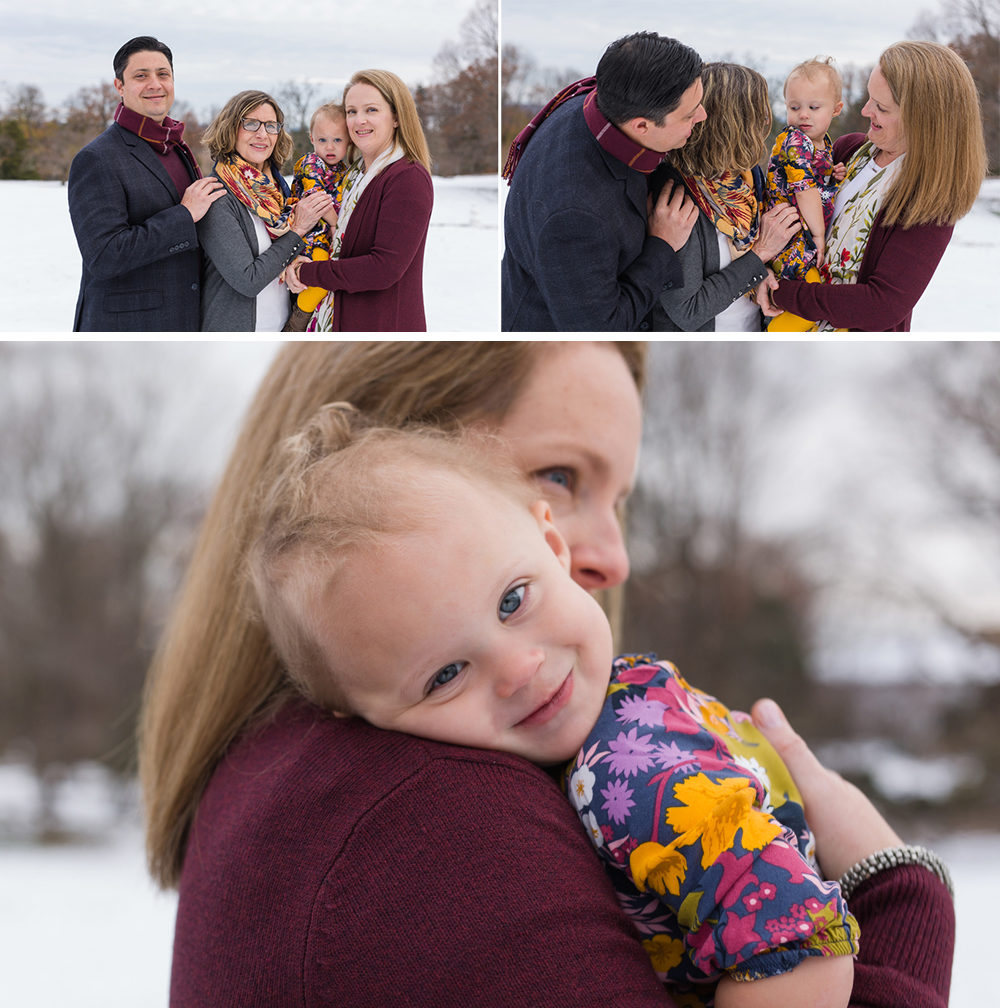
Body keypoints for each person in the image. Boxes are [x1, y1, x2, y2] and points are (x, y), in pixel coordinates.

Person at [139, 342, 955, 1007]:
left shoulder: (295, 782)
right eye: (562, 476)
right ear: (404, 444)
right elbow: (792, 939)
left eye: (619, 497)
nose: (616, 558)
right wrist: (902, 895)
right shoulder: (432, 817)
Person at [247, 405, 861, 1008]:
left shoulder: (631, 769)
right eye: (446, 675)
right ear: (358, 722)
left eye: (513, 600)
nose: (519, 670)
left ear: (552, 543)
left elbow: (799, 939)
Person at [757, 40, 988, 331]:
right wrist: (763, 270)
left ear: (922, 119)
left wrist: (782, 292)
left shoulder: (930, 201)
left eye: (881, 107)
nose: (866, 110)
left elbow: (881, 305)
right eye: (869, 98)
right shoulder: (848, 151)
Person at [501, 32, 703, 331]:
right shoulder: (575, 214)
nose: (703, 115)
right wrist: (662, 245)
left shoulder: (597, 102)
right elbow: (600, 327)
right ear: (641, 125)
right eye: (689, 115)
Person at [67, 35, 226, 331]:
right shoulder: (97, 159)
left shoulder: (176, 148)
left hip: (185, 322)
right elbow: (104, 256)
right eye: (141, 76)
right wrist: (184, 215)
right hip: (127, 329)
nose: (155, 84)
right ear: (120, 87)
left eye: (163, 74)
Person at [647, 63, 803, 332]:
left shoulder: (748, 176)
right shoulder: (677, 192)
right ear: (732, 123)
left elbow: (745, 266)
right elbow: (688, 310)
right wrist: (760, 254)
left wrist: (762, 272)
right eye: (758, 113)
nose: (766, 122)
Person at [282, 70, 433, 332]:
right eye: (351, 111)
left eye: (371, 110)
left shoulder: (407, 177)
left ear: (396, 117)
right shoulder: (351, 175)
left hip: (380, 330)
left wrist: (308, 272)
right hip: (333, 322)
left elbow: (383, 268)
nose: (359, 120)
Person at [196, 90, 333, 331]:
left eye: (271, 126)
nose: (262, 134)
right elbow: (248, 280)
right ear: (230, 129)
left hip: (280, 329)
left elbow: (279, 254)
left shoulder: (276, 189)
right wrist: (297, 230)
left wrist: (295, 264)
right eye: (251, 124)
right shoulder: (217, 197)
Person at [764, 57, 846, 332]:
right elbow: (805, 190)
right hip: (791, 239)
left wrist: (833, 175)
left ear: (836, 109)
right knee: (811, 300)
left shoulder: (823, 144)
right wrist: (819, 235)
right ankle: (775, 334)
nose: (803, 115)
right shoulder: (794, 140)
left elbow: (818, 181)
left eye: (813, 107)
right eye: (794, 107)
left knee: (821, 307)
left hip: (804, 240)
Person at [282, 103, 351, 332]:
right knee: (321, 283)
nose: (329, 147)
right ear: (312, 138)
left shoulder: (343, 170)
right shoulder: (311, 163)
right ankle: (294, 327)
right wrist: (336, 224)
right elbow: (317, 199)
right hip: (309, 238)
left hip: (326, 240)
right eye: (322, 140)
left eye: (337, 140)